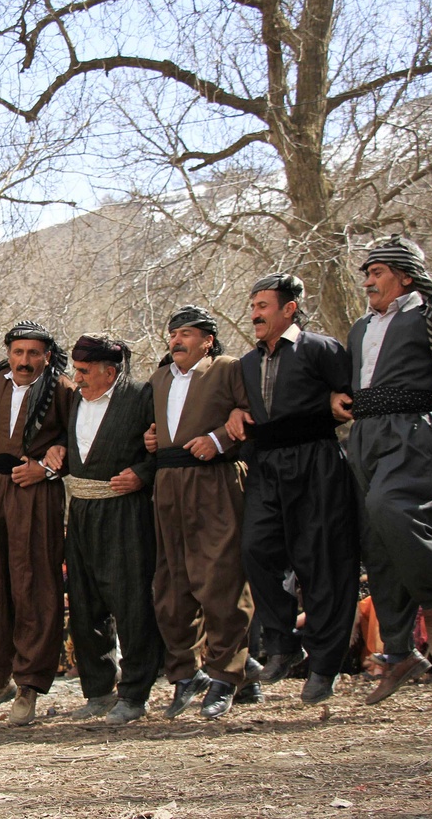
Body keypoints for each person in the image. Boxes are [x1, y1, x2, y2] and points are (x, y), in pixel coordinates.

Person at [332, 236, 432, 704]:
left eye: (377, 273)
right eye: (366, 274)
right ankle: (399, 653)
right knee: (377, 543)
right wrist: (336, 397)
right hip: (365, 436)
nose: (368, 282)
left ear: (405, 276)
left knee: (391, 509)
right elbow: (354, 382)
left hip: (412, 432)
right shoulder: (360, 328)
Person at [228, 274, 360, 704]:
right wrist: (235, 412)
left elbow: (349, 398)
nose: (254, 314)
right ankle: (282, 644)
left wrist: (331, 403)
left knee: (321, 561)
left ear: (289, 309)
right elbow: (244, 407)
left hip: (316, 462)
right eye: (252, 306)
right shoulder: (246, 363)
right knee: (256, 549)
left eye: (263, 306)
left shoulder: (321, 349)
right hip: (266, 465)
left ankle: (324, 665)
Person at [143, 306, 253, 720]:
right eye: (173, 333)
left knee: (220, 579)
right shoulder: (159, 378)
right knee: (170, 585)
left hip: (215, 480)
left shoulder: (228, 368)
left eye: (186, 333)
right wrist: (151, 439)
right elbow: (156, 428)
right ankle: (186, 674)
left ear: (207, 340)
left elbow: (251, 415)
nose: (176, 340)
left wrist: (220, 439)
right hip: (168, 484)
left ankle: (225, 675)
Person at [0, 320, 75, 726]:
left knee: (33, 585)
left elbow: (78, 439)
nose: (25, 361)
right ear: (8, 353)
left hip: (34, 493)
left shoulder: (61, 388)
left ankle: (29, 684)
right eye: (18, 352)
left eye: (33, 353)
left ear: (46, 356)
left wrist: (47, 469)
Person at [61, 334, 164, 725]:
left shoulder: (140, 396)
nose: (78, 378)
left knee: (130, 601)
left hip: (124, 511)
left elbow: (165, 446)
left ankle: (135, 694)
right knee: (85, 604)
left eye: (85, 371)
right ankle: (99, 690)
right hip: (81, 510)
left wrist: (142, 474)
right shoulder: (74, 399)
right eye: (76, 370)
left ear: (110, 371)